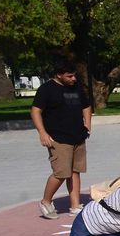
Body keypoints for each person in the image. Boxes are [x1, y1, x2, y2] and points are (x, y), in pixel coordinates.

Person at [31, 60, 92, 219]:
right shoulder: (47, 89)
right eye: (69, 76)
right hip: (57, 137)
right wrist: (42, 133)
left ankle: (75, 205)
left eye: (74, 75)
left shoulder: (76, 87)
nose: (73, 79)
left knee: (75, 171)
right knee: (61, 173)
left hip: (78, 135)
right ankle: (46, 201)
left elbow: (86, 106)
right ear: (59, 75)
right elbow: (36, 111)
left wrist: (88, 124)